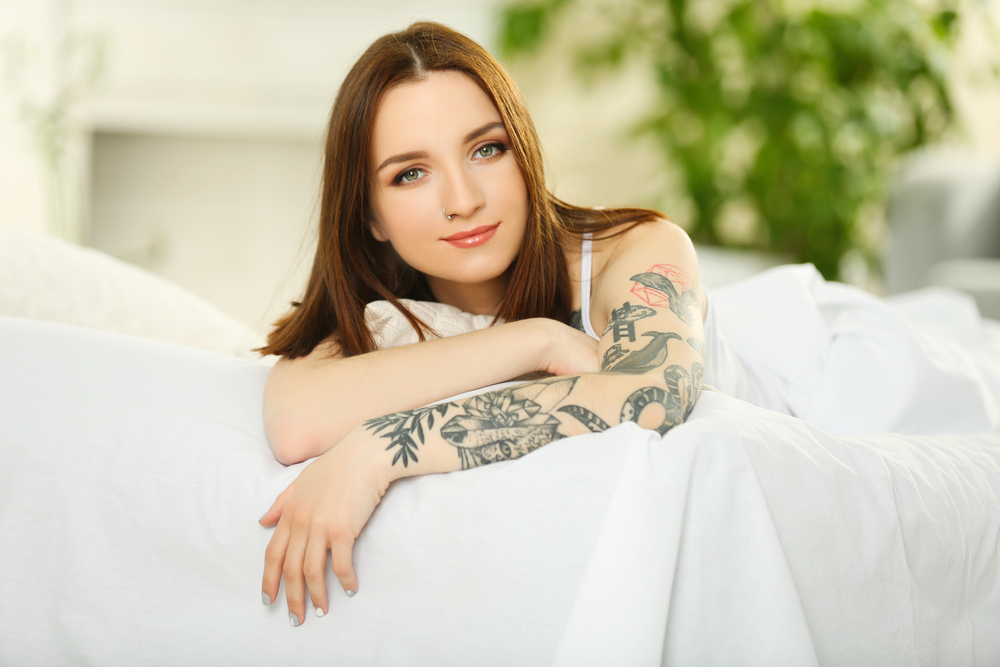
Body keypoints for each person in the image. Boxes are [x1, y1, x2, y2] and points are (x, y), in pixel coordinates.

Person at [256, 21, 721, 628]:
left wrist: (381, 448)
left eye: (486, 149)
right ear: (370, 216)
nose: (463, 200)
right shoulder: (384, 311)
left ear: (523, 152)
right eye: (410, 173)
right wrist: (539, 339)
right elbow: (296, 423)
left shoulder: (633, 249)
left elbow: (654, 394)